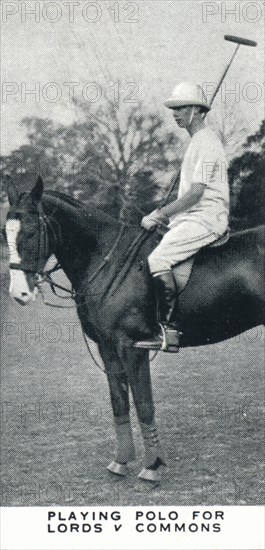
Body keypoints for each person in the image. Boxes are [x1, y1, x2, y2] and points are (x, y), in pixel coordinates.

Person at [135, 82, 230, 352]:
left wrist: (159, 214)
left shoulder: (207, 142)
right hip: (192, 217)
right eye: (173, 109)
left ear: (198, 111)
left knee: (158, 259)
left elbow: (195, 194)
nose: (175, 113)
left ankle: (170, 331)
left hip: (206, 218)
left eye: (181, 108)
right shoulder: (197, 142)